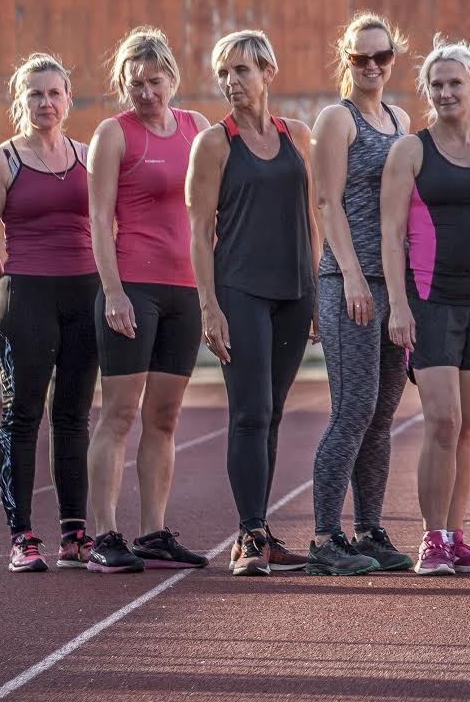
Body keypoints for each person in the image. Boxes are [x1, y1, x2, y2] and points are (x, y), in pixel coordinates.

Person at [187, 29, 317, 576]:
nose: (231, 82)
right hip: (240, 291)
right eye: (224, 73)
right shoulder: (215, 143)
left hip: (294, 291)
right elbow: (197, 232)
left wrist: (314, 291)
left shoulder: (298, 136)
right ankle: (248, 535)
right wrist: (208, 307)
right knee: (250, 413)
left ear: (269, 72)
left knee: (275, 414)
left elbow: (315, 221)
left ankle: (260, 529)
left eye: (241, 71)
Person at [0, 53, 99, 573]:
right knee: (22, 417)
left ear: (68, 97)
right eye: (35, 94)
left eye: (54, 93)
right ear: (20, 101)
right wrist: (10, 297)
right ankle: (22, 536)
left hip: (83, 295)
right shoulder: (1, 160)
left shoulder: (89, 156)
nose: (46, 102)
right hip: (25, 296)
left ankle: (74, 533)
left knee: (73, 417)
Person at [86, 27, 211, 573]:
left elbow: (212, 217)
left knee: (165, 417)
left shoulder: (197, 129)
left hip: (184, 290)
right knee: (118, 415)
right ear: (123, 84)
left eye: (155, 82)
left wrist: (212, 295)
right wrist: (113, 291)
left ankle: (153, 532)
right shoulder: (113, 134)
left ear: (172, 79)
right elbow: (97, 218)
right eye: (135, 84)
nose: (146, 93)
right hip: (132, 288)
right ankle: (104, 535)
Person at [384, 40, 470, 576]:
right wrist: (397, 306)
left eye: (455, 82)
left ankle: (456, 536)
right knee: (442, 420)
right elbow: (391, 236)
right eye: (436, 85)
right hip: (430, 301)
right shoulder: (411, 151)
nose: (445, 92)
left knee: (467, 427)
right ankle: (432, 540)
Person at [307, 13, 415, 576]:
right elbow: (326, 203)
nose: (372, 66)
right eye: (359, 58)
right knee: (352, 410)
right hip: (349, 283)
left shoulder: (400, 119)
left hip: (393, 286)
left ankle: (369, 529)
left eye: (382, 56)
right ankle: (325, 537)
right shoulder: (336, 118)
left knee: (381, 416)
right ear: (344, 59)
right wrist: (350, 273)